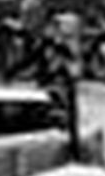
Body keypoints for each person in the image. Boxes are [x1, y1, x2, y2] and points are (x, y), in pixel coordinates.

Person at [5, 11, 82, 158]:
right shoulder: (46, 43)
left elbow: (73, 69)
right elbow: (31, 58)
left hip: (61, 89)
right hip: (46, 88)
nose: (50, 30)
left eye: (55, 27)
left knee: (67, 119)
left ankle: (73, 151)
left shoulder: (68, 48)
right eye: (51, 26)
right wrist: (13, 71)